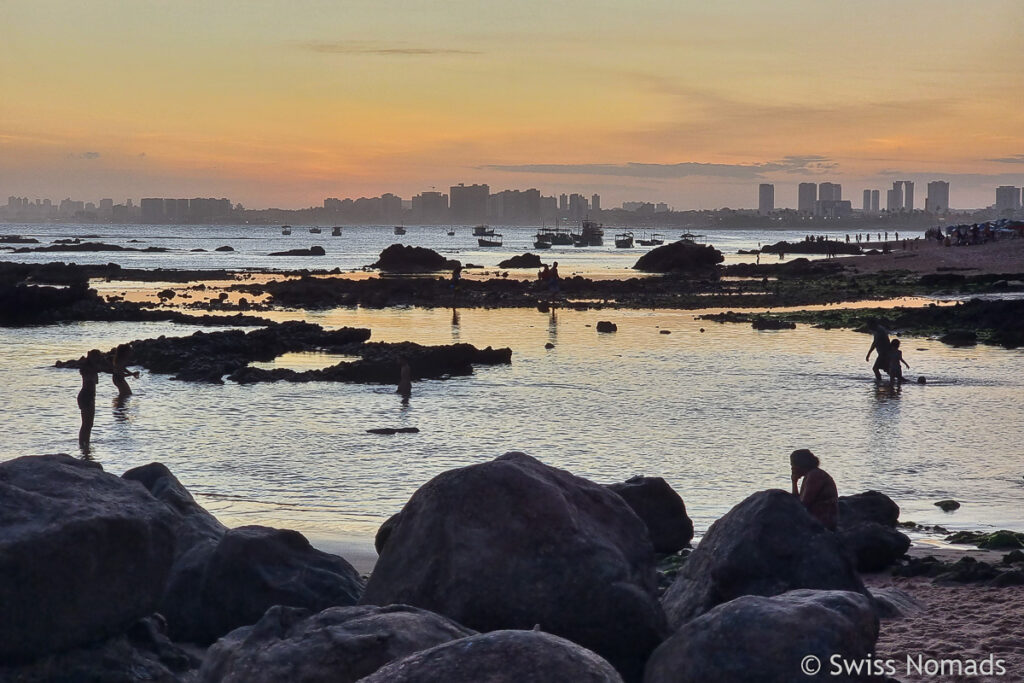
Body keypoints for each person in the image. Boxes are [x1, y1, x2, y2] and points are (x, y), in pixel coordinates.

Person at [790, 449, 838, 531]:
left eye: (793, 464)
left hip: (823, 521)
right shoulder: (809, 475)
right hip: (817, 519)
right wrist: (794, 482)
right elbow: (798, 501)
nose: (792, 467)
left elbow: (803, 504)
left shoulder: (815, 475)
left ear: (800, 464)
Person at [78, 349, 103, 451]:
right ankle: (83, 445)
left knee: (88, 424)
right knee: (86, 424)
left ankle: (85, 446)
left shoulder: (91, 367)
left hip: (89, 396)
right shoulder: (88, 368)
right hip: (87, 396)